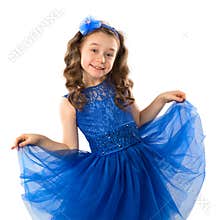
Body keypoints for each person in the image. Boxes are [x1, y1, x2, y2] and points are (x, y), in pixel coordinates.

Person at [11, 16, 206, 220]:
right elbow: (70, 148)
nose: (101, 59)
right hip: (107, 178)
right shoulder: (71, 103)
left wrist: (161, 99)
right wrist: (40, 140)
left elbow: (138, 121)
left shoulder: (119, 87)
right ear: (79, 50)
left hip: (140, 167)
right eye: (94, 50)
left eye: (109, 54)